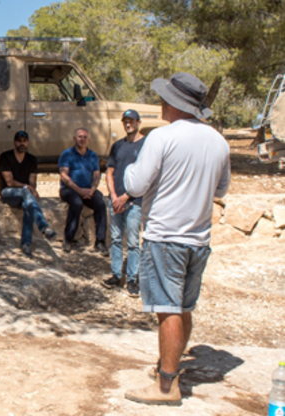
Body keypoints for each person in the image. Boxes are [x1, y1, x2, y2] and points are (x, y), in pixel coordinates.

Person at [123, 73, 230, 406]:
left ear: (171, 103)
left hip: (165, 236)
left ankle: (167, 386)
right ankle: (168, 367)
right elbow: (221, 190)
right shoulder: (219, 142)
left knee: (166, 309)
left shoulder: (161, 137)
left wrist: (128, 170)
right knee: (183, 307)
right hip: (198, 238)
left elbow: (135, 185)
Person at [102, 110, 145, 296]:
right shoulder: (118, 146)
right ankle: (116, 275)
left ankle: (132, 279)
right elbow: (110, 171)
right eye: (125, 121)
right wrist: (113, 195)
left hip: (134, 201)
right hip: (115, 201)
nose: (128, 124)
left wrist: (126, 196)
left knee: (134, 242)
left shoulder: (145, 145)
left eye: (132, 121)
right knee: (116, 239)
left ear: (138, 122)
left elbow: (146, 175)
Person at [0, 130, 57, 256]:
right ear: (15, 142)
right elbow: (9, 182)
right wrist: (28, 188)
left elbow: (32, 181)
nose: (22, 143)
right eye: (19, 141)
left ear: (28, 143)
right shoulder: (5, 156)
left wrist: (32, 190)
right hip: (8, 193)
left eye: (24, 141)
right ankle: (44, 227)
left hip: (25, 195)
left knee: (28, 206)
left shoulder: (32, 159)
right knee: (26, 193)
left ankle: (26, 244)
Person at [58, 127, 108, 255]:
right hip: (69, 189)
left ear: (89, 140)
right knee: (77, 203)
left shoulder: (92, 155)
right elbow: (64, 176)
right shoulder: (67, 154)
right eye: (80, 137)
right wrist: (79, 190)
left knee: (101, 204)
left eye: (85, 137)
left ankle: (100, 241)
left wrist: (92, 189)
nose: (82, 139)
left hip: (88, 190)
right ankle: (68, 239)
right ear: (74, 138)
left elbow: (96, 174)